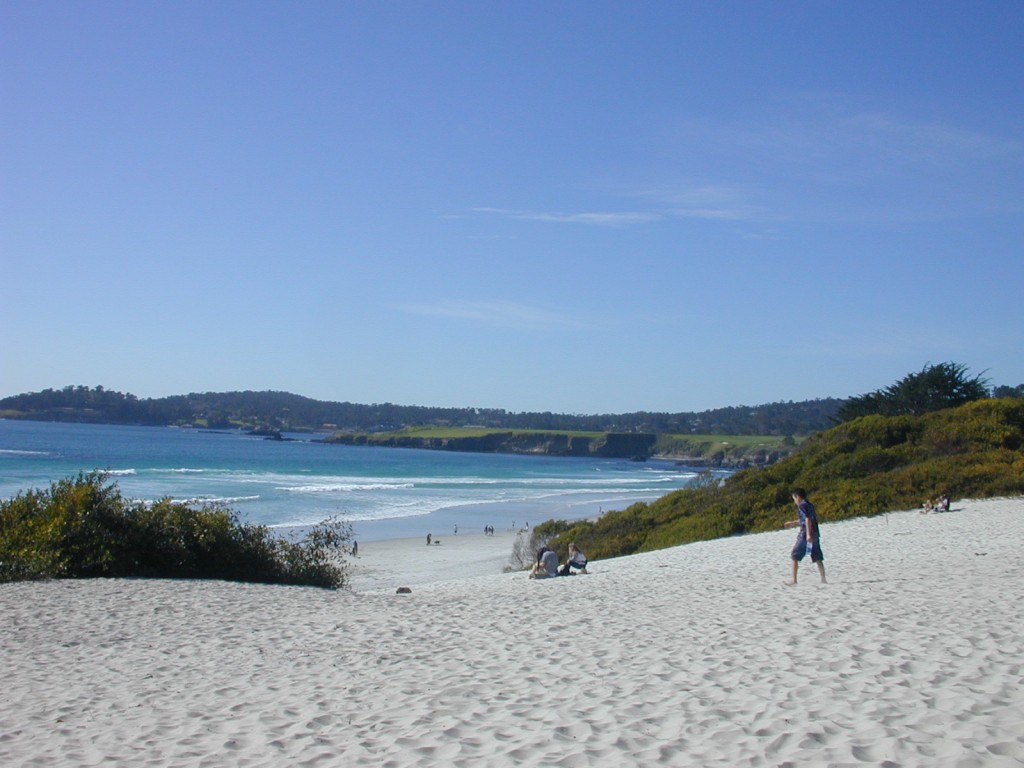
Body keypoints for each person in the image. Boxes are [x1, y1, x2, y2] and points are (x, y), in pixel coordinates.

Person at [783, 488, 826, 585]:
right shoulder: (810, 505)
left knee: (794, 555)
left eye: (794, 498)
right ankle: (823, 578)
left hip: (805, 534)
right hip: (815, 533)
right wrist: (792, 523)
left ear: (797, 497)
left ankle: (794, 580)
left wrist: (808, 534)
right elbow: (807, 519)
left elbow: (807, 519)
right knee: (817, 556)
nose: (794, 501)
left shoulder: (802, 505)